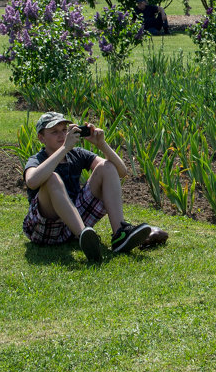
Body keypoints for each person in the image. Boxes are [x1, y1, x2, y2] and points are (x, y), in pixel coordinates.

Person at [23, 111, 158, 262]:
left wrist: (101, 144)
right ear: (41, 138)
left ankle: (120, 233)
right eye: (54, 132)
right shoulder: (37, 159)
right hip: (45, 228)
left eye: (64, 130)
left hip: (73, 223)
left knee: (106, 166)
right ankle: (85, 238)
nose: (61, 135)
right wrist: (64, 149)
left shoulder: (76, 154)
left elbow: (121, 171)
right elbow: (32, 181)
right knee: (52, 178)